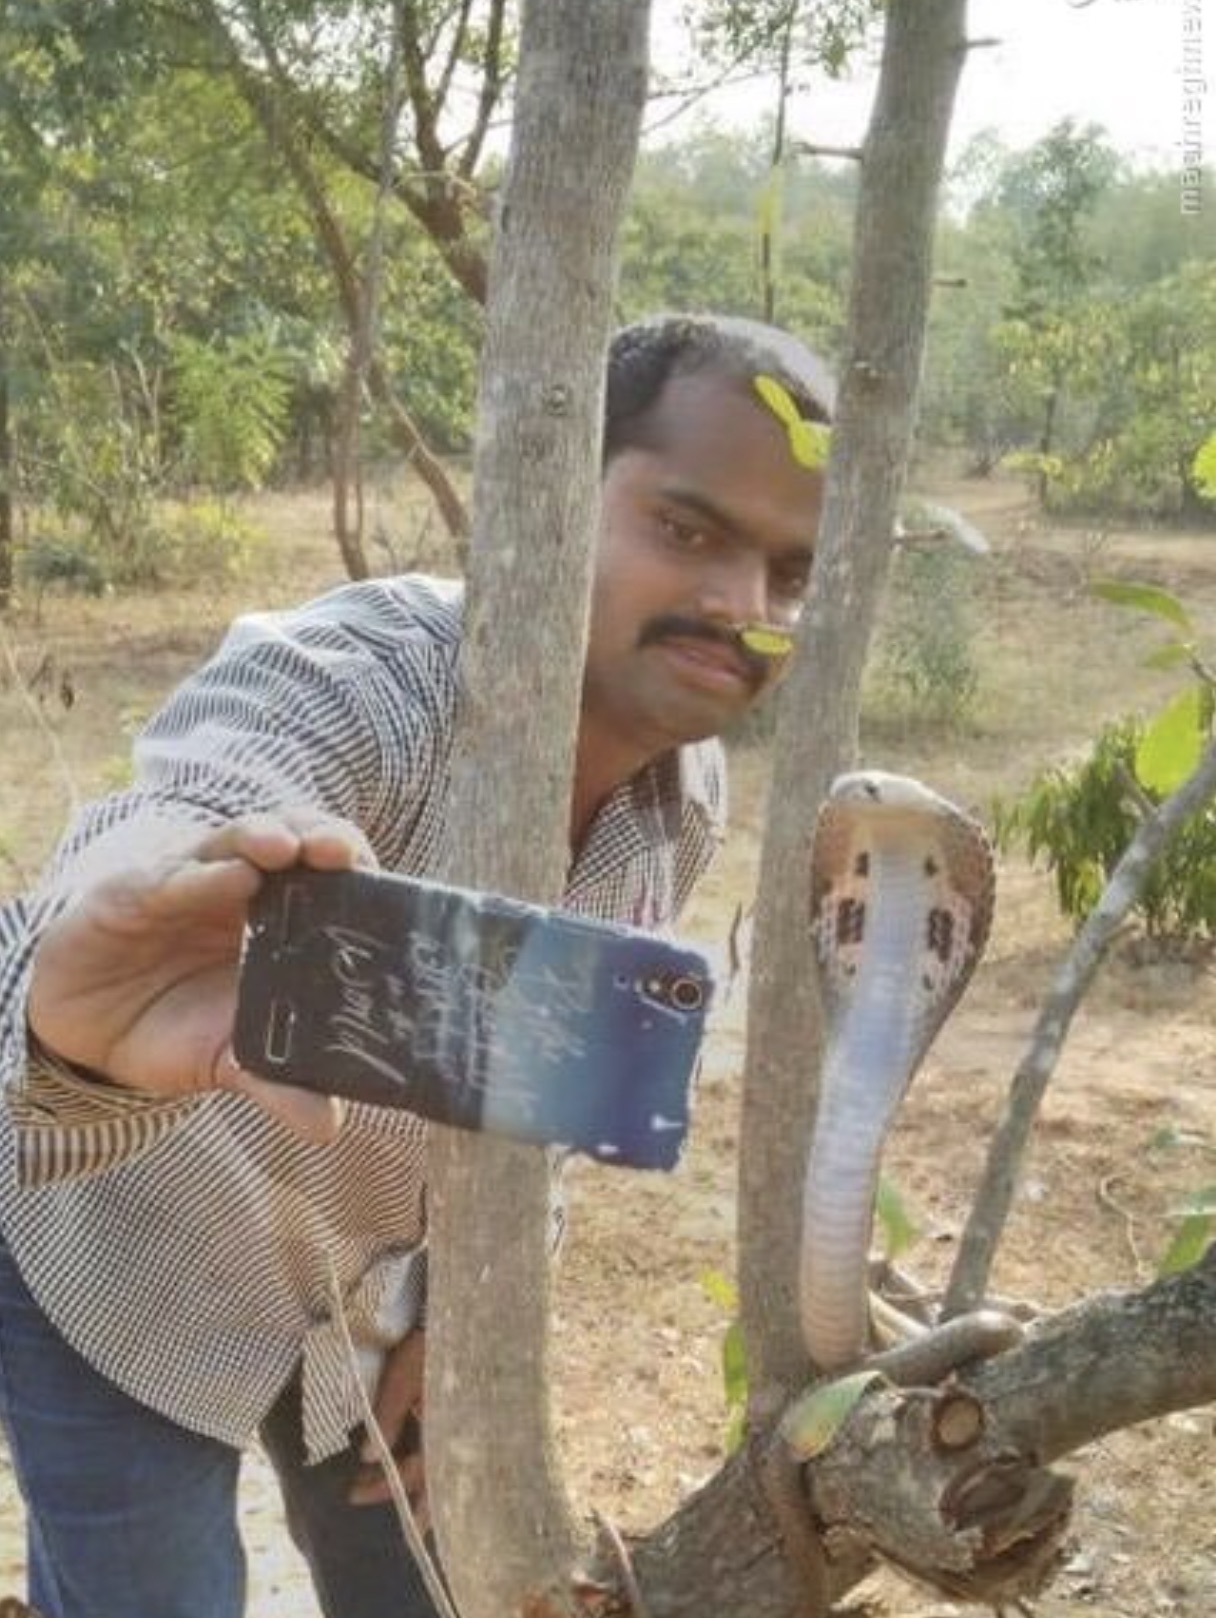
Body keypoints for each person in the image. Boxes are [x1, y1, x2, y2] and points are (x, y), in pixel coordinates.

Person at [0, 313, 835, 1618]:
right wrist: (76, 995)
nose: (743, 606)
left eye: (792, 572)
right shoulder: (368, 680)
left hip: (362, 1306)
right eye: (687, 529)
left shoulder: (687, 798)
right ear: (550, 491)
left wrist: (458, 1302)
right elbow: (199, 803)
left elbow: (539, 1083)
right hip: (122, 1267)